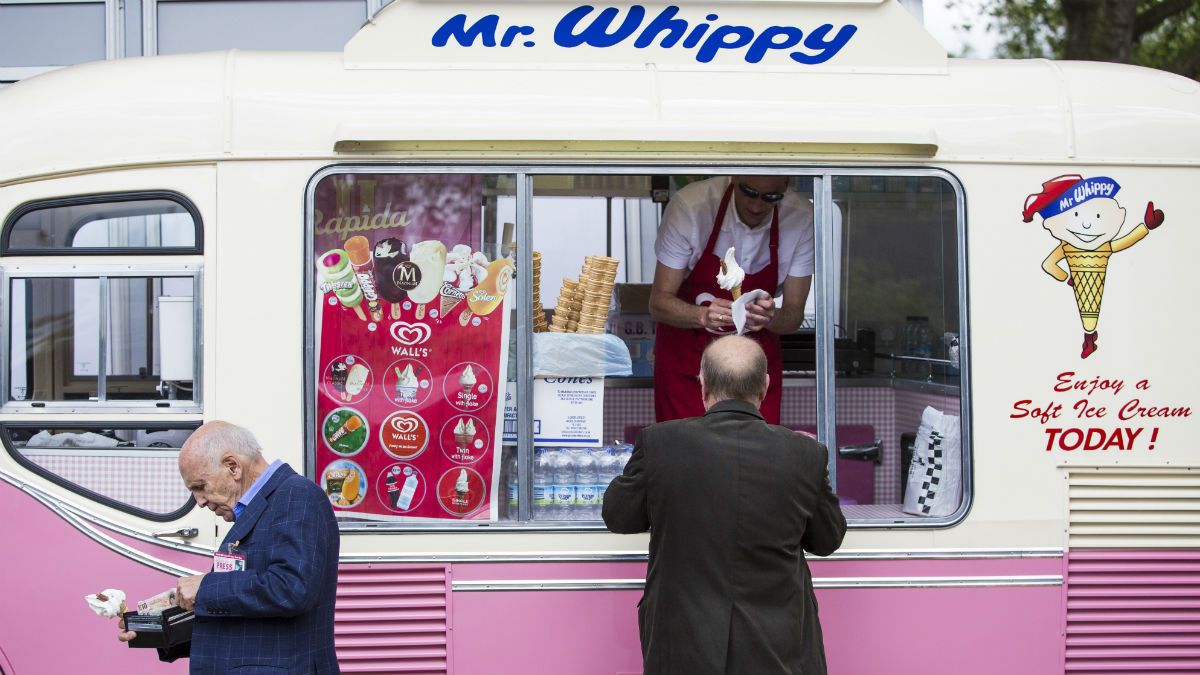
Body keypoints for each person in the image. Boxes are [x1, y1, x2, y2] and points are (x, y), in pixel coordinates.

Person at [603, 335, 846, 675]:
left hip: (683, 645)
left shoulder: (660, 443)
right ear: (765, 385)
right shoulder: (805, 454)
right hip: (780, 651)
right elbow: (828, 539)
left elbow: (618, 515)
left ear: (702, 384)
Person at [118, 421, 341, 675]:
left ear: (232, 466)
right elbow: (240, 612)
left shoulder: (297, 495)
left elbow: (292, 588)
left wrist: (205, 588)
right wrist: (156, 628)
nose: (199, 501)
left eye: (200, 487)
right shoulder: (264, 505)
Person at [650, 175, 813, 425]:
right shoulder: (691, 207)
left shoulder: (800, 217)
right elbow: (659, 302)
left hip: (754, 370)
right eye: (748, 191)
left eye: (771, 198)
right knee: (685, 452)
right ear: (733, 178)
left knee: (756, 456)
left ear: (786, 186)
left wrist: (771, 317)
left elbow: (793, 316)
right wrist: (701, 315)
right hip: (688, 362)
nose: (757, 205)